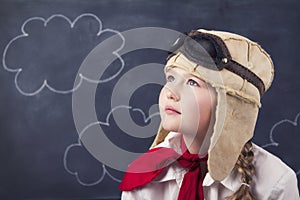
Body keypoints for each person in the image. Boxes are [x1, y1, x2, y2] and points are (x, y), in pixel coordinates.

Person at [118, 29, 300, 199]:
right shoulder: (144, 173)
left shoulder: (276, 183)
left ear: (230, 105)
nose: (170, 92)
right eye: (171, 78)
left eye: (192, 83)